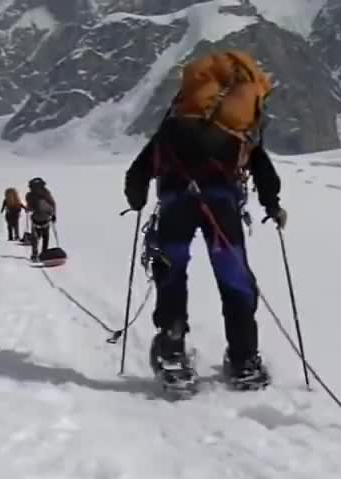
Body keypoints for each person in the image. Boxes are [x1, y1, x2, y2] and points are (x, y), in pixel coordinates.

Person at [123, 50, 288, 389]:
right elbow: (262, 169)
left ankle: (172, 350)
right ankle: (244, 360)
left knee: (171, 272)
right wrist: (273, 205)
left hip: (175, 206)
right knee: (234, 280)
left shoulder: (172, 127)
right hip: (222, 209)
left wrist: (137, 199)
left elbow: (137, 174)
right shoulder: (237, 130)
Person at [25, 177, 56, 262]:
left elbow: (30, 206)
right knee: (44, 237)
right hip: (43, 218)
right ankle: (42, 253)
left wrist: (28, 209)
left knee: (37, 238)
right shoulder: (46, 194)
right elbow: (53, 204)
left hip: (39, 219)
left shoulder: (30, 195)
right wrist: (53, 215)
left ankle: (37, 254)